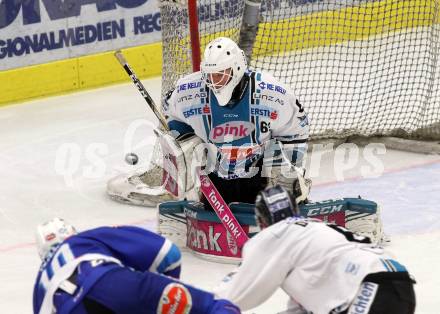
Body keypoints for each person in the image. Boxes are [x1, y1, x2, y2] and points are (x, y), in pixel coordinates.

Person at [107, 36, 310, 207]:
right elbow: (172, 113)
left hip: (260, 174)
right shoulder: (189, 91)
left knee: (283, 178)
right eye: (210, 75)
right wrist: (185, 140)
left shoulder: (272, 94)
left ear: (237, 68)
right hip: (215, 175)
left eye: (220, 75)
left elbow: (296, 130)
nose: (214, 81)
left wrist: (293, 170)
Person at [214, 186, 416, 314]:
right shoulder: (313, 232)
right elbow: (303, 307)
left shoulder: (275, 235)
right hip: (398, 282)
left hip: (367, 288)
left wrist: (197, 303)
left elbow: (233, 296)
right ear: (295, 210)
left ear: (260, 221)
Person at [33, 218, 240, 314]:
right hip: (112, 285)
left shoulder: (38, 289)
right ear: (71, 232)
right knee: (212, 306)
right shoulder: (81, 241)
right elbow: (168, 253)